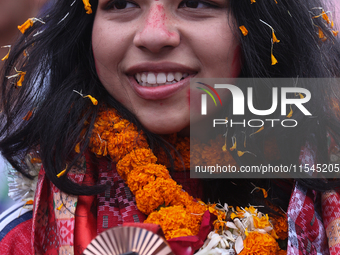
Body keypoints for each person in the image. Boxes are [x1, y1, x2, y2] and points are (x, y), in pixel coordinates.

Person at [0, 0, 340, 254]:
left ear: (266, 25)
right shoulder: (25, 238)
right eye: (121, 3)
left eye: (195, 2)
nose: (154, 35)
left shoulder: (323, 188)